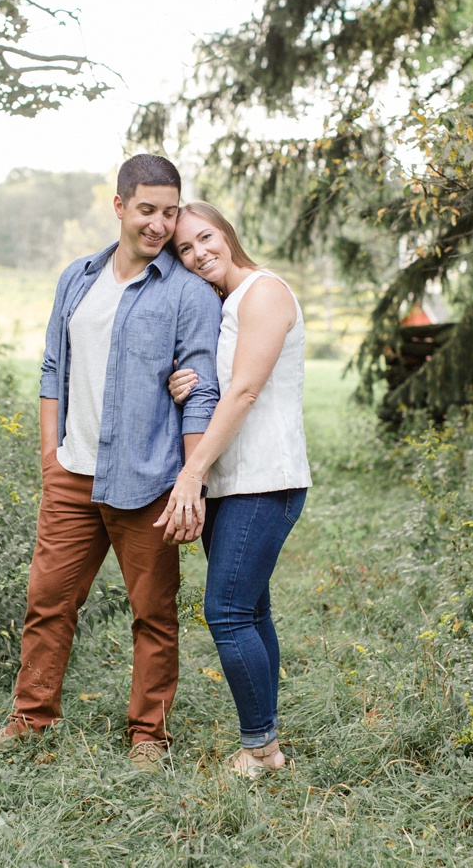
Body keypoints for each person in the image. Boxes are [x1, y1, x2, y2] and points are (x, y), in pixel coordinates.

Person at [0, 154, 222, 770]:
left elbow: (201, 394)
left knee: (154, 614)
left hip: (146, 480)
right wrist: (49, 455)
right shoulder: (77, 278)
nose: (159, 224)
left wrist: (189, 485)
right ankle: (31, 718)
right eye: (147, 210)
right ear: (119, 206)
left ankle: (149, 736)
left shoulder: (189, 294)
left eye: (170, 213)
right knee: (48, 600)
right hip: (71, 472)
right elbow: (51, 368)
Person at [154, 201, 312, 778]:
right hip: (231, 484)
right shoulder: (226, 305)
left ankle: (260, 750)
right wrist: (185, 384)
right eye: (184, 251)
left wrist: (190, 475)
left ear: (226, 232)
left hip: (264, 481)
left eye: (204, 239)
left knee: (225, 612)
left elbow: (244, 393)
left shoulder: (264, 292)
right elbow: (222, 387)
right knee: (251, 609)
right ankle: (269, 744)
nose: (198, 255)